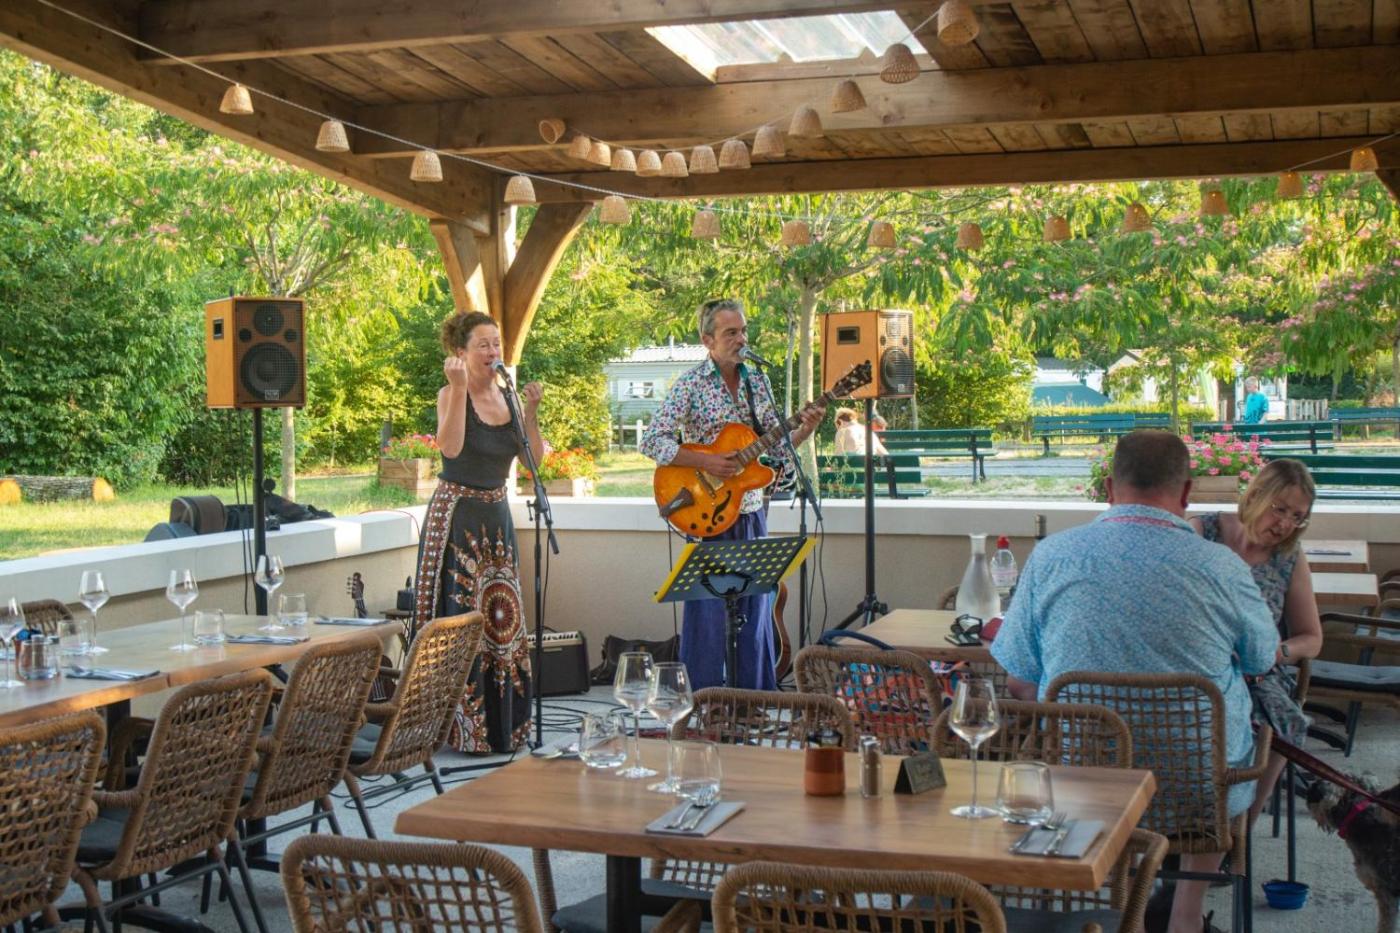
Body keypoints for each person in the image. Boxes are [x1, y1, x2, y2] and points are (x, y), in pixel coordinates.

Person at [991, 429, 1277, 933]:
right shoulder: (1223, 566)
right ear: (1186, 492)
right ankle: (1186, 916)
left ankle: (1125, 908)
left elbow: (1019, 683)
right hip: (1200, 789)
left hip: (1086, 783)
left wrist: (1097, 710)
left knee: (1082, 745)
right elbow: (1262, 658)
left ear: (1108, 488)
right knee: (1230, 726)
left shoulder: (1052, 556)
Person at [641, 298, 825, 690]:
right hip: (706, 513)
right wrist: (706, 461)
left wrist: (805, 429)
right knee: (707, 616)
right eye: (730, 333)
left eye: (743, 331)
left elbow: (777, 447)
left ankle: (753, 702)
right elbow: (652, 441)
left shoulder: (758, 382)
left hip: (750, 509)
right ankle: (705, 702)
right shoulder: (691, 384)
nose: (741, 339)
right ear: (707, 340)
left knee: (755, 613)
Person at [410, 311, 546, 754]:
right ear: (461, 353)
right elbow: (449, 449)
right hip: (458, 517)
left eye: (496, 343)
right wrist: (457, 390)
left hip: (496, 517)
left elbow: (533, 463)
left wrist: (530, 411)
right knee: (460, 617)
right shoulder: (450, 393)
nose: (492, 352)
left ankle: (503, 726)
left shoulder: (508, 395)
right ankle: (459, 730)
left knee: (501, 618)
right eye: (483, 345)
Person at [1189, 459, 1323, 824]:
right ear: (1255, 495)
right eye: (1279, 509)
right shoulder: (1203, 532)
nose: (1284, 524)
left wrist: (1279, 651)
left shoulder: (1288, 558)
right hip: (1197, 663)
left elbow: (1312, 638)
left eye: (1297, 517)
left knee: (1281, 724)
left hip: (1258, 671)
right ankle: (1184, 813)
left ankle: (1241, 825)